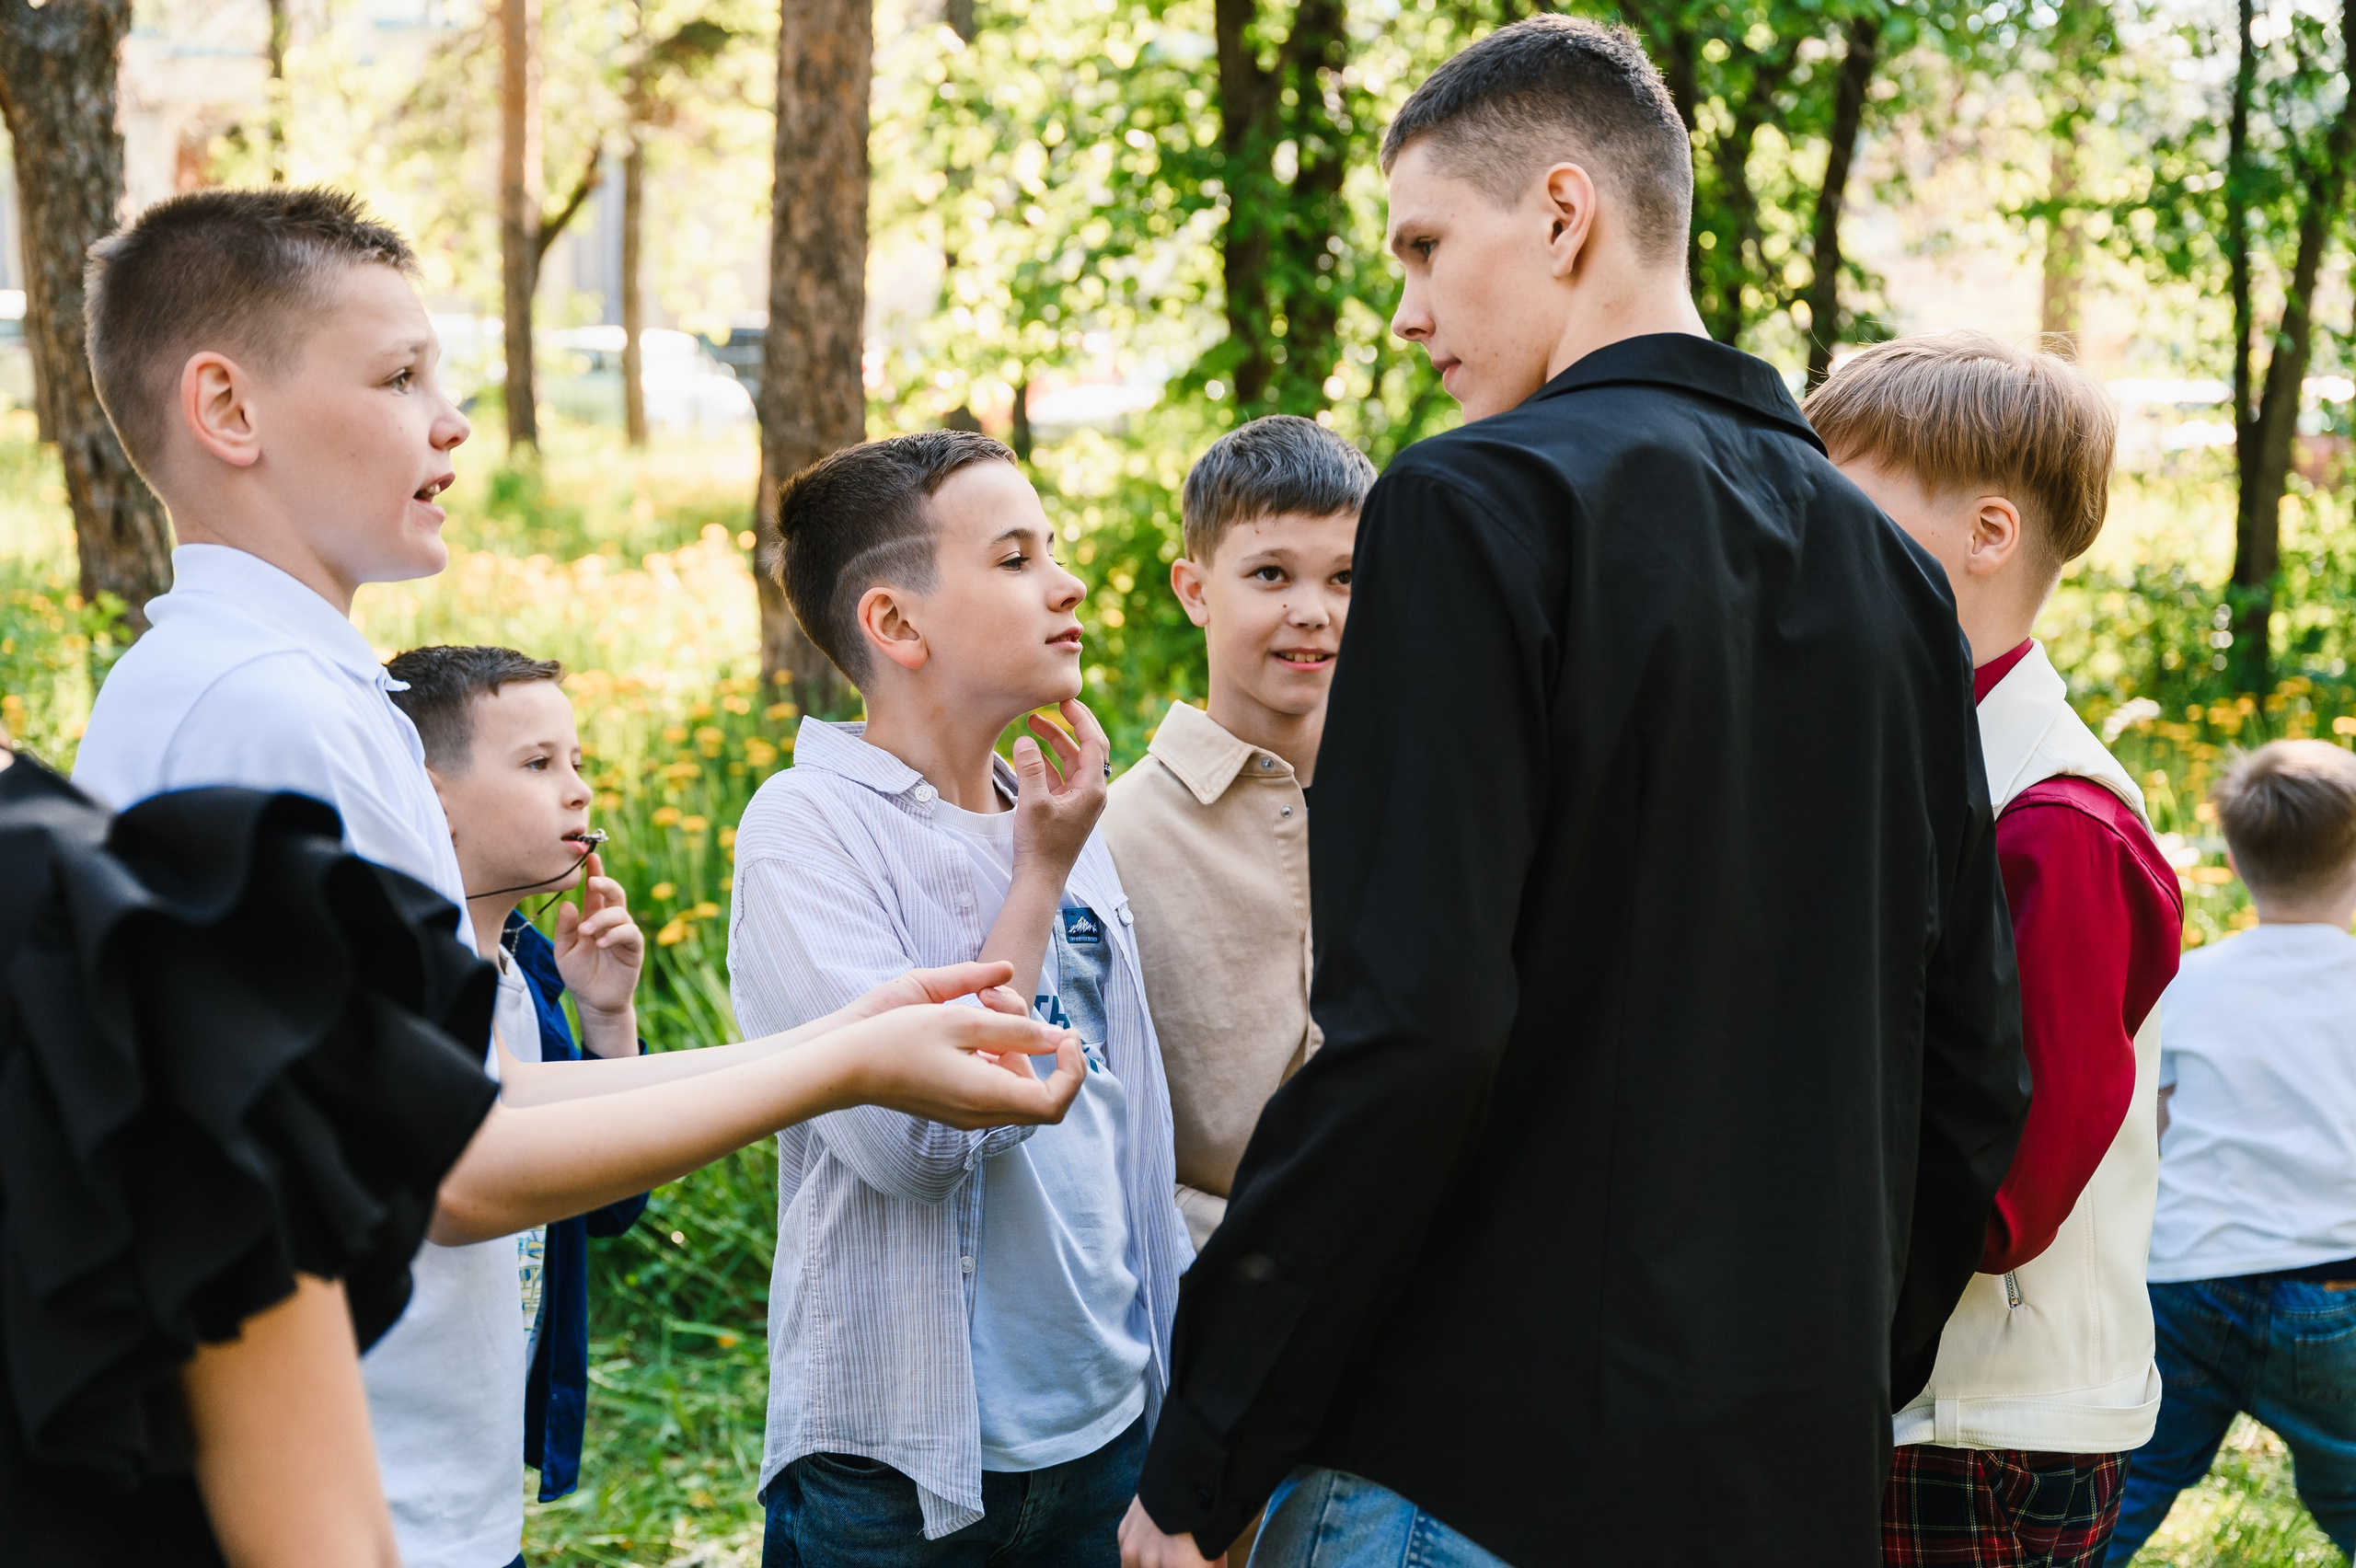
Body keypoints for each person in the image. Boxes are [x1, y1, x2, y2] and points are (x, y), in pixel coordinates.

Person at [1116, 18, 2029, 1568]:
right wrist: (1826, 1381)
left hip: (1473, 1469)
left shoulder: (1478, 504)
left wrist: (1208, 1445)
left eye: (1422, 245)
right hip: (1780, 1476)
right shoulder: (1895, 576)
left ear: (1561, 211)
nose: (1406, 312)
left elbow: (1417, 1025)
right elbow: (1975, 1065)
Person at [64, 186, 1084, 1568]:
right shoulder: (269, 711)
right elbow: (453, 1168)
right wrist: (846, 1070)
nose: (453, 421)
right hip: (342, 1508)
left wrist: (854, 1029)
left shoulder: (296, 690)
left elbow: (462, 1097)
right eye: (398, 376)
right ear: (227, 410)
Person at [729, 429, 1191, 1566]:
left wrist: (1173, 1402)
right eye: (1016, 557)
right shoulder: (808, 828)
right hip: (899, 1476)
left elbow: (1133, 1136)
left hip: (1107, 1432)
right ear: (895, 623)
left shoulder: (1056, 810)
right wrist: (1035, 878)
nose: (1066, 582)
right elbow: (909, 1145)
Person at [1807, 335, 2185, 1566]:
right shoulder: (1916, 766)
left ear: (1985, 534)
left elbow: (2008, 1192)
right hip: (1905, 1399)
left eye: (1846, 515)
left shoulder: (2058, 820)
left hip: (1983, 1425)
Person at [383, 643, 653, 1507]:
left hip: (485, 1450)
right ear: (433, 801)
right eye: (538, 764)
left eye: (577, 763)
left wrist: (608, 1016)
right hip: (393, 1463)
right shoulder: (400, 987)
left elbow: (608, 1202)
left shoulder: (529, 980)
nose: (577, 789)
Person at [1100, 413, 1371, 1252]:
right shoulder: (1112, 840)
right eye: (1270, 574)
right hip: (1209, 1303)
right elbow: (1099, 1135)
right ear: (1195, 591)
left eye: (1346, 578)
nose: (1313, 612)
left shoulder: (1440, 807)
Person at [2103, 741, 2356, 1562]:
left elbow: (2155, 1133)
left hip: (2187, 1286)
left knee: (2128, 1491)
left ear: (2239, 860)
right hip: (2334, 1290)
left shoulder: (2187, 982)